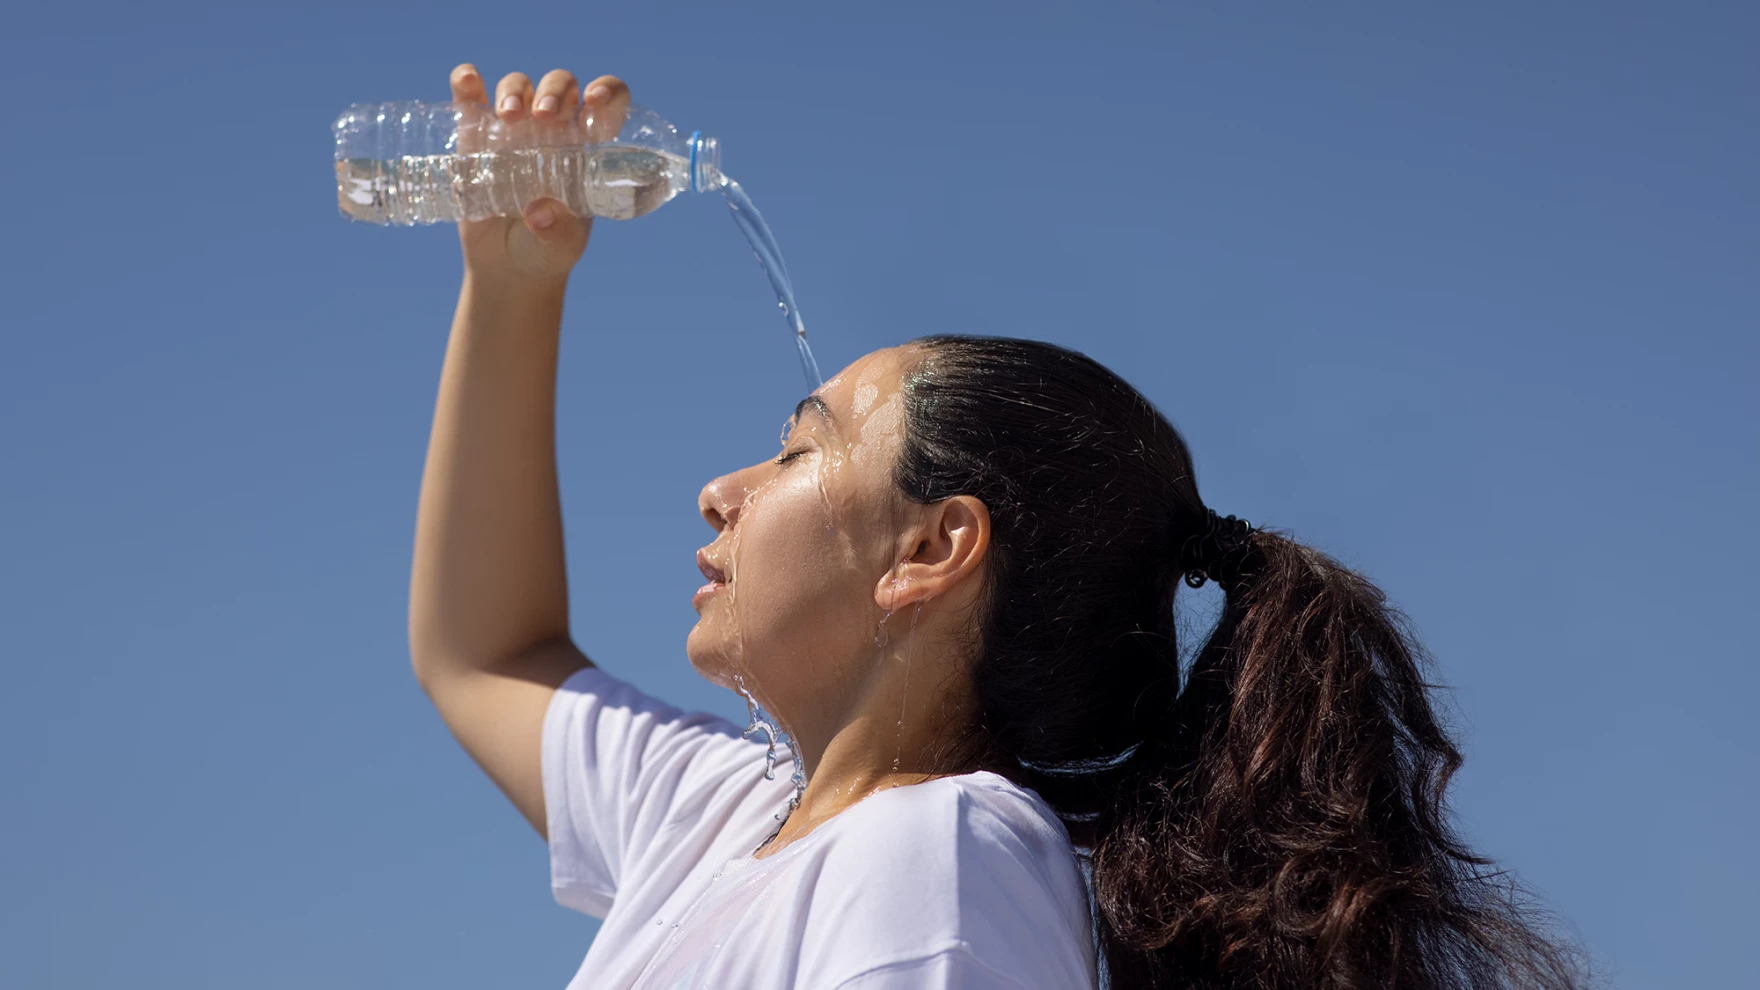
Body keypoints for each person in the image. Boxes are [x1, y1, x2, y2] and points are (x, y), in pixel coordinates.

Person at [409, 63, 1588, 990]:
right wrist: (513, 287)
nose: (721, 490)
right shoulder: (720, 816)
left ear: (930, 551)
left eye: (798, 449)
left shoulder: (942, 859)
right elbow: (484, 654)